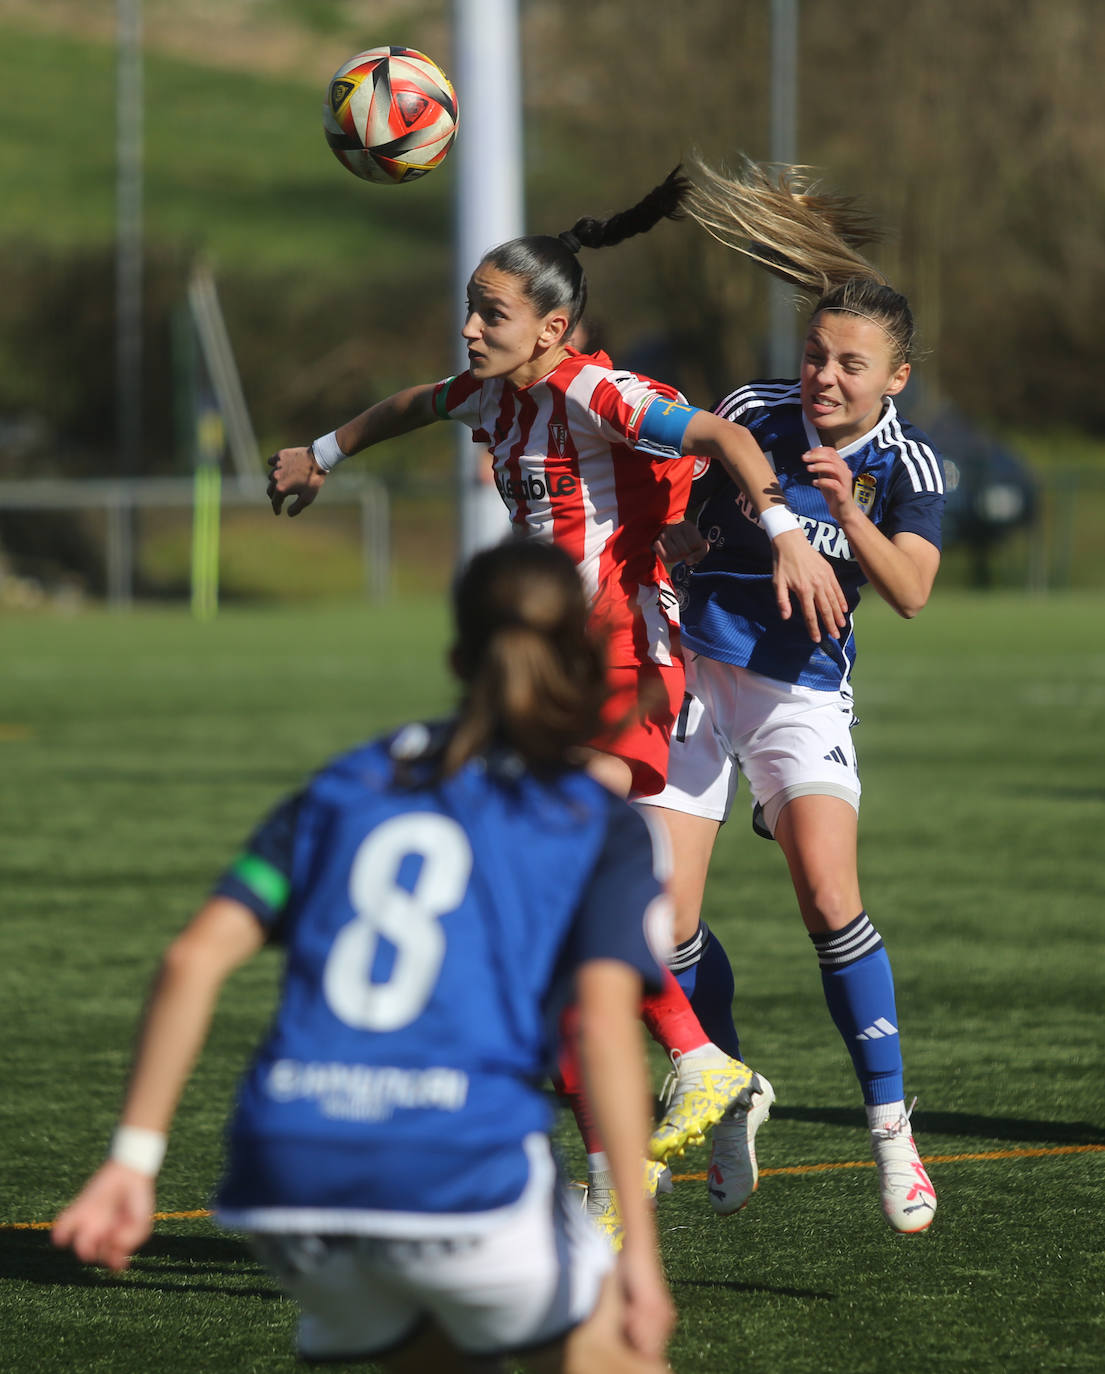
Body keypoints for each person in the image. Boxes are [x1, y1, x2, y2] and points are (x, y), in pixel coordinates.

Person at [265, 169, 850, 1235]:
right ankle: (629, 1156)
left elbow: (720, 439)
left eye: (492, 313)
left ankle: (695, 1066)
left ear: (553, 327)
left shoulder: (593, 391)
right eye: (473, 307)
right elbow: (412, 404)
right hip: (554, 675)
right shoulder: (493, 392)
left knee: (553, 879)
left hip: (626, 656)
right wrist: (325, 453)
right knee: (542, 928)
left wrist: (778, 532)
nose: (470, 327)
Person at [53, 540, 677, 1374]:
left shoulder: (345, 783)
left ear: (455, 656)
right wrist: (639, 1252)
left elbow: (191, 960)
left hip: (290, 1166)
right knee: (605, 1351)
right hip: (460, 1162)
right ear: (586, 655)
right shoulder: (592, 818)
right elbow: (600, 1028)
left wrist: (132, 1162)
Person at [641, 158, 943, 1234]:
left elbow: (907, 591)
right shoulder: (751, 411)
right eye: (816, 354)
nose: (824, 377)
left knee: (826, 898)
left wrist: (842, 518)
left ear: (892, 379)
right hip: (693, 676)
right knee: (660, 924)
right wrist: (680, 539)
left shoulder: (910, 467)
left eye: (850, 365)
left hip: (798, 696)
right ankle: (723, 1091)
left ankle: (891, 1133)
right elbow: (687, 515)